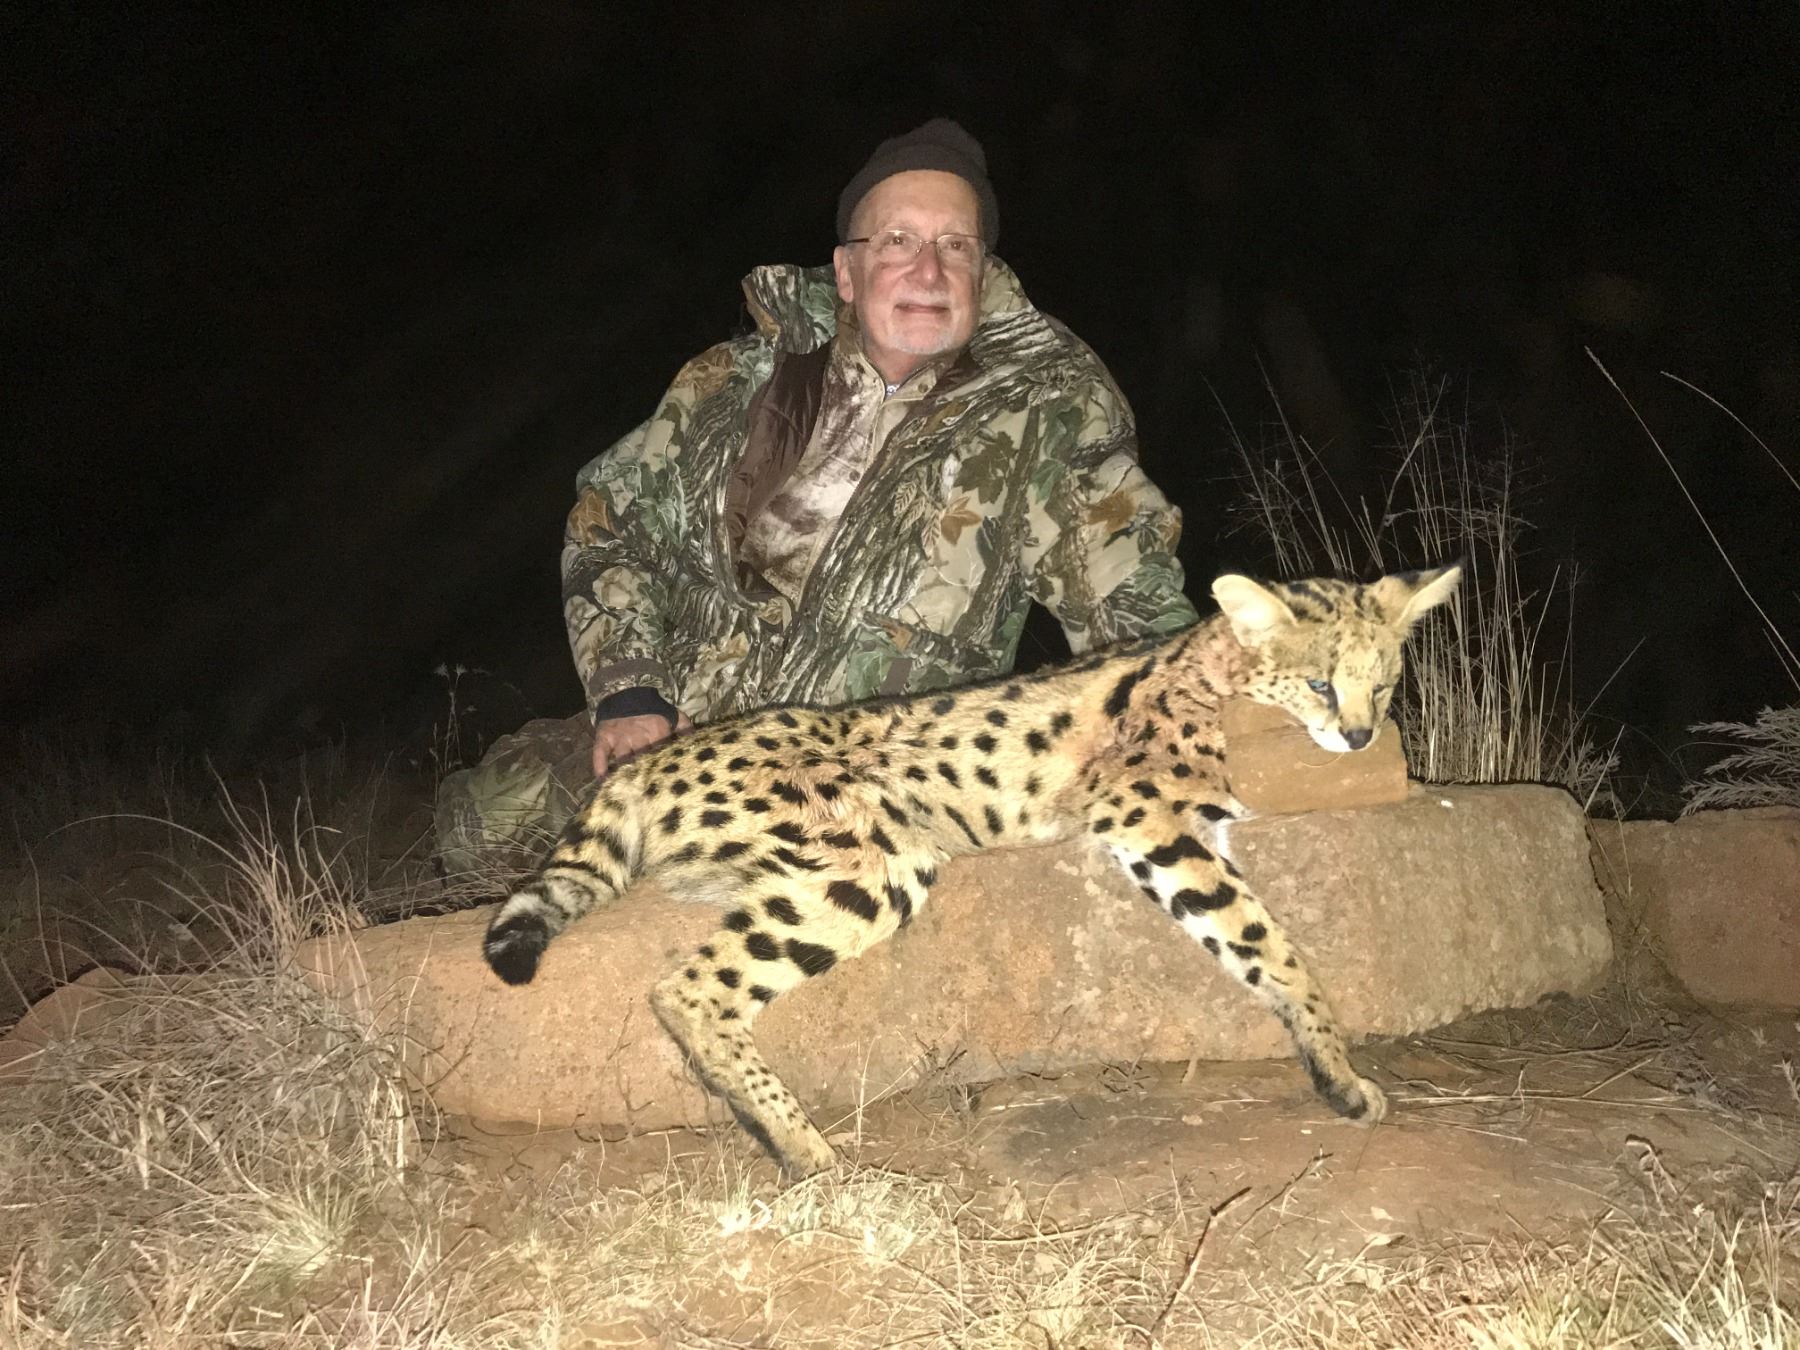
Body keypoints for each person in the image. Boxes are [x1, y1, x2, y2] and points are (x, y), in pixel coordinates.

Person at [436, 118, 1198, 872]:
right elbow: (613, 523)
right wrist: (633, 693)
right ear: (846, 273)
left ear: (982, 270)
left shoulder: (1048, 407)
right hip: (685, 739)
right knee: (475, 829)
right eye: (897, 241)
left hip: (861, 782)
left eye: (956, 246)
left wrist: (1189, 700)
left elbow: (1122, 577)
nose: (928, 271)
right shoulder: (731, 382)